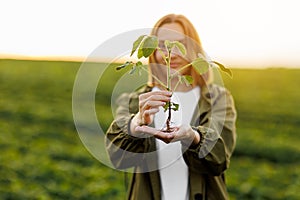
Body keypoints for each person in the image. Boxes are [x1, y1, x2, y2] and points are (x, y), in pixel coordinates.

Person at [105, 13, 237, 200]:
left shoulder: (217, 99)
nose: (170, 53)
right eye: (161, 46)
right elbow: (117, 157)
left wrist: (193, 137)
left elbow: (220, 159)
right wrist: (134, 126)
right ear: (153, 52)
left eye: (179, 44)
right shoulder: (136, 100)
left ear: (193, 48)